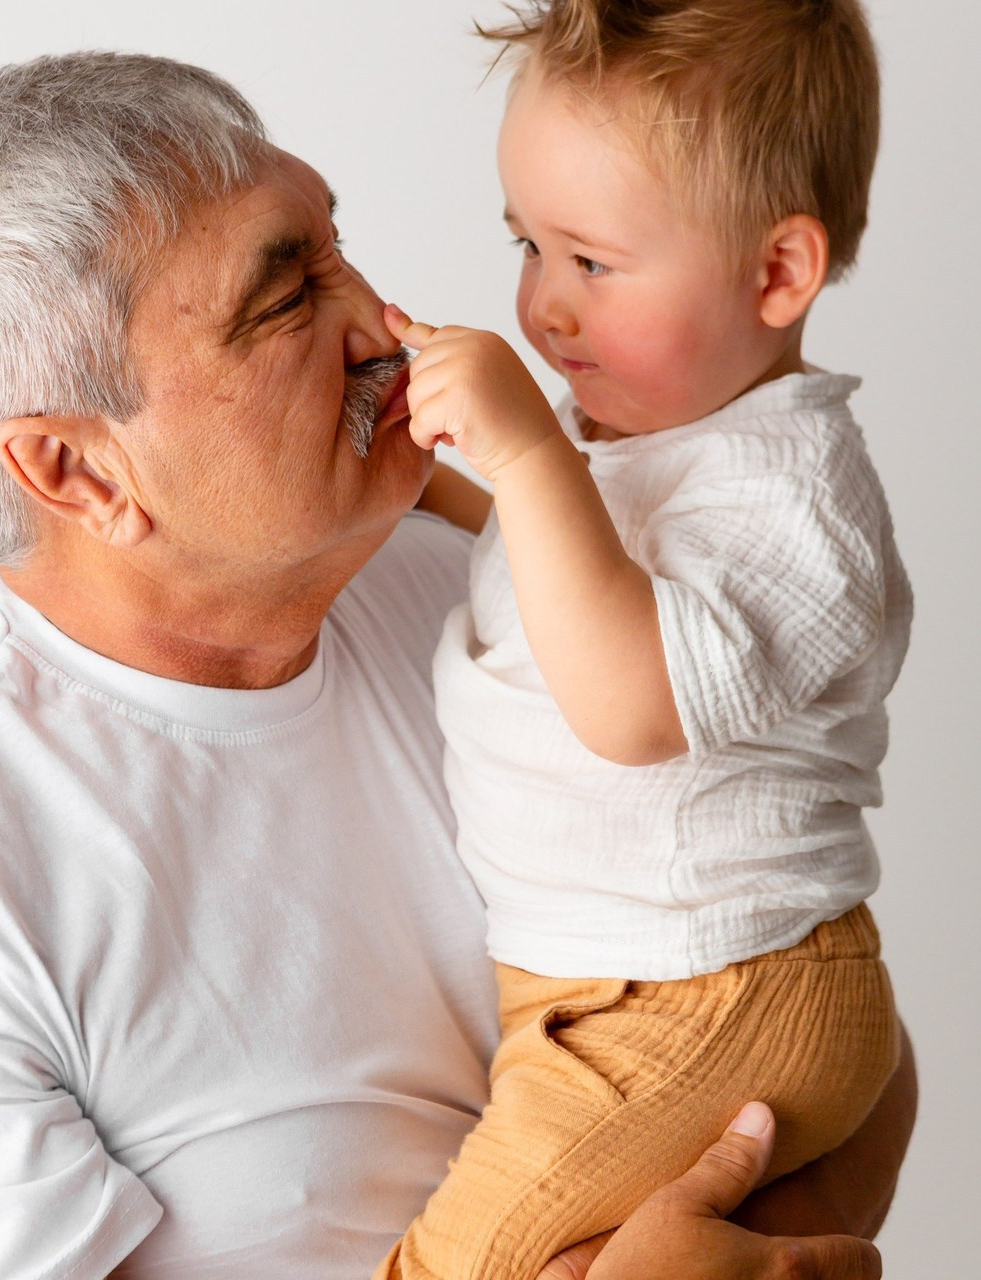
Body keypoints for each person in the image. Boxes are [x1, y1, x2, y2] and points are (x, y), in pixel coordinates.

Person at [0, 50, 908, 1280]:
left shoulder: (500, 592)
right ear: (75, 472)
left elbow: (838, 1038)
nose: (382, 323)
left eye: (332, 247)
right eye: (284, 301)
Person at [373, 2, 913, 1278]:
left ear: (775, 275)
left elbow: (627, 702)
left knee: (454, 1268)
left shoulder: (793, 495)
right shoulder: (634, 436)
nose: (544, 308)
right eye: (526, 245)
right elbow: (546, 544)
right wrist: (423, 457)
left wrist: (519, 445)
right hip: (624, 989)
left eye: (591, 261)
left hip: (702, 988)